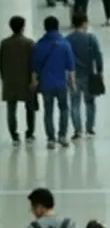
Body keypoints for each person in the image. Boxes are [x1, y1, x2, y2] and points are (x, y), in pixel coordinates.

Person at [32, 16, 76, 149]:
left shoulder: (39, 45)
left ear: (45, 27)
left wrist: (33, 83)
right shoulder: (65, 44)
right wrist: (72, 84)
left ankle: (51, 139)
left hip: (46, 84)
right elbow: (71, 68)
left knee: (48, 111)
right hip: (61, 84)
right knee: (64, 109)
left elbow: (35, 68)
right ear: (57, 27)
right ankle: (62, 136)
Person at [65, 12, 103, 140]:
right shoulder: (90, 38)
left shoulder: (67, 39)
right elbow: (98, 55)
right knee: (90, 102)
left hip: (72, 75)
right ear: (85, 23)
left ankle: (77, 131)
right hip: (89, 74)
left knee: (74, 103)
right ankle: (90, 129)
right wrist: (100, 71)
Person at [0, 15, 36, 146]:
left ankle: (14, 136)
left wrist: (4, 77)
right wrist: (34, 80)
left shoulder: (4, 43)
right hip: (25, 80)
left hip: (10, 80)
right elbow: (33, 64)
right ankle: (30, 134)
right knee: (30, 107)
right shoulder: (29, 43)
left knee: (11, 109)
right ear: (22, 27)